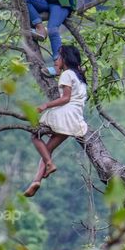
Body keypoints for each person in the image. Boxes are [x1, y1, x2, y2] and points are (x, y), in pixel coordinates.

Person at [25, 45, 88, 197]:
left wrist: (44, 105)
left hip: (65, 113)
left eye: (58, 57)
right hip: (75, 118)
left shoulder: (67, 74)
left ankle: (49, 164)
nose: (56, 60)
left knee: (35, 136)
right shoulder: (80, 77)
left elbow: (65, 98)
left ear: (65, 59)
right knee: (48, 150)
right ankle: (36, 181)